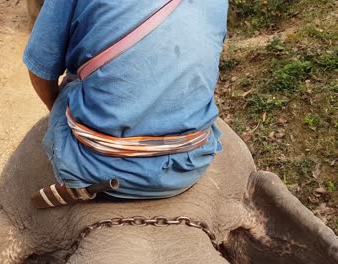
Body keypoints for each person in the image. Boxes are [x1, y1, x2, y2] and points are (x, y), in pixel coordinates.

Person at [24, 0, 228, 199]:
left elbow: (41, 72)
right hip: (191, 162)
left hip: (93, 167)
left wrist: (58, 113)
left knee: (71, 85)